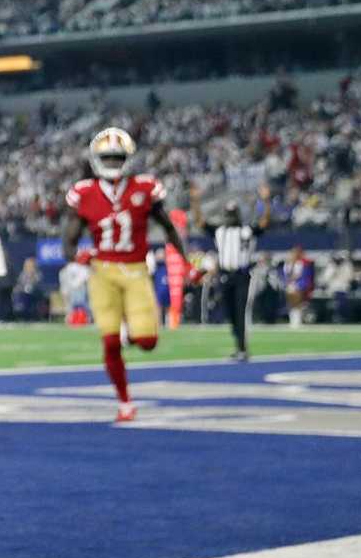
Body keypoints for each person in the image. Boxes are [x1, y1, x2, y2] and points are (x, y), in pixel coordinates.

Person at [61, 128, 199, 423]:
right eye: (107, 156)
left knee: (147, 340)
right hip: (103, 272)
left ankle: (130, 330)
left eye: (117, 156)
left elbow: (169, 228)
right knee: (110, 343)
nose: (112, 161)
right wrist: (80, 256)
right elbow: (67, 244)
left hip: (136, 270)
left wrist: (187, 263)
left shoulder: (145, 188)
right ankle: (125, 403)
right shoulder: (84, 192)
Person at [204, 200, 265, 361]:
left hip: (242, 275)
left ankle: (243, 348)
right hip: (225, 276)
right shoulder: (220, 231)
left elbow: (264, 224)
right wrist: (195, 200)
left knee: (240, 312)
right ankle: (239, 346)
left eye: (232, 214)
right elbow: (200, 222)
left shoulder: (246, 231)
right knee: (230, 313)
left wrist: (265, 201)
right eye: (228, 214)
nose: (230, 218)